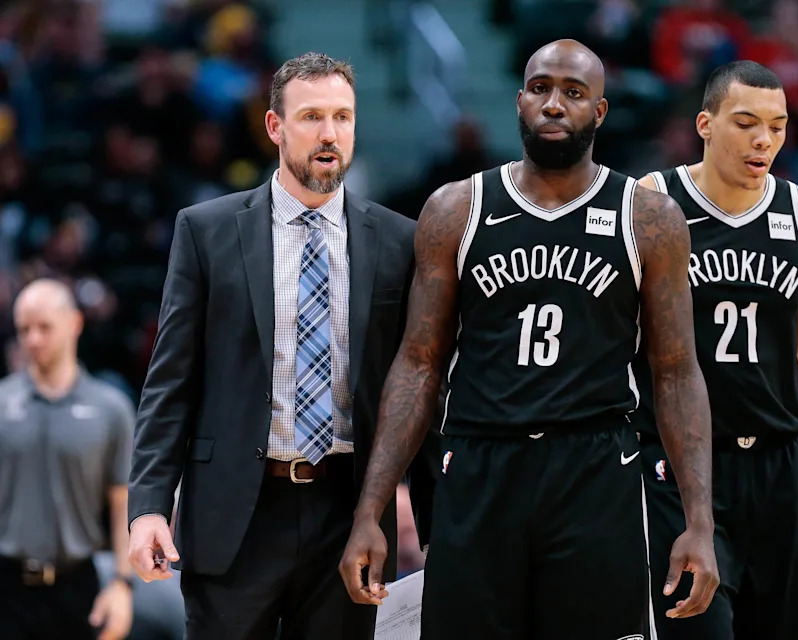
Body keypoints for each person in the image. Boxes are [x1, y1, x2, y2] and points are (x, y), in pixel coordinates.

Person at [340, 39, 719, 640]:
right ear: (518, 102)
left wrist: (700, 519)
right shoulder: (455, 208)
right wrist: (371, 511)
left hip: (595, 468)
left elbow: (676, 372)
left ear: (599, 112)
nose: (553, 104)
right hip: (479, 463)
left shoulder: (647, 217)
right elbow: (417, 364)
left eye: (573, 92)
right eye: (540, 88)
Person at [126, 51, 436, 639]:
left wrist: (436, 525)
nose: (329, 134)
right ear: (274, 126)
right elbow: (170, 383)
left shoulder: (401, 240)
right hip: (236, 512)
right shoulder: (207, 230)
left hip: (350, 515)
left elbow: (417, 388)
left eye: (343, 117)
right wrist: (147, 508)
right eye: (311, 117)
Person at [633, 60, 798, 640]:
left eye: (777, 127)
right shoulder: (653, 203)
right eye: (746, 123)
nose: (764, 140)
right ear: (705, 123)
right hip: (679, 469)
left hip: (778, 470)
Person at [0, 279, 135, 640]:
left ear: (74, 323)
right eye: (24, 329)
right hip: (7, 585)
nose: (32, 339)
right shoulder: (2, 403)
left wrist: (122, 584)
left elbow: (123, 503)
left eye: (44, 327)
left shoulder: (111, 409)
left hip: (77, 585)